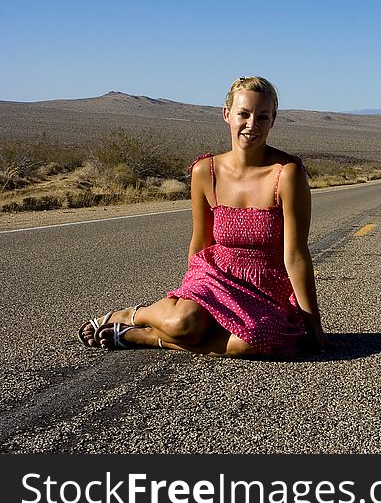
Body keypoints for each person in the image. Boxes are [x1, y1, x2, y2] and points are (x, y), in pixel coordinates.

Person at [77, 76, 327, 357]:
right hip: (215, 276)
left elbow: (295, 256)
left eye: (262, 116)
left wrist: (314, 329)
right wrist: (189, 297)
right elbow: (200, 241)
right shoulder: (205, 172)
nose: (251, 125)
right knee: (185, 322)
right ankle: (135, 315)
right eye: (243, 114)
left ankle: (145, 338)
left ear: (273, 120)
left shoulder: (287, 174)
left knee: (256, 340)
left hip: (266, 287)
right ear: (227, 114)